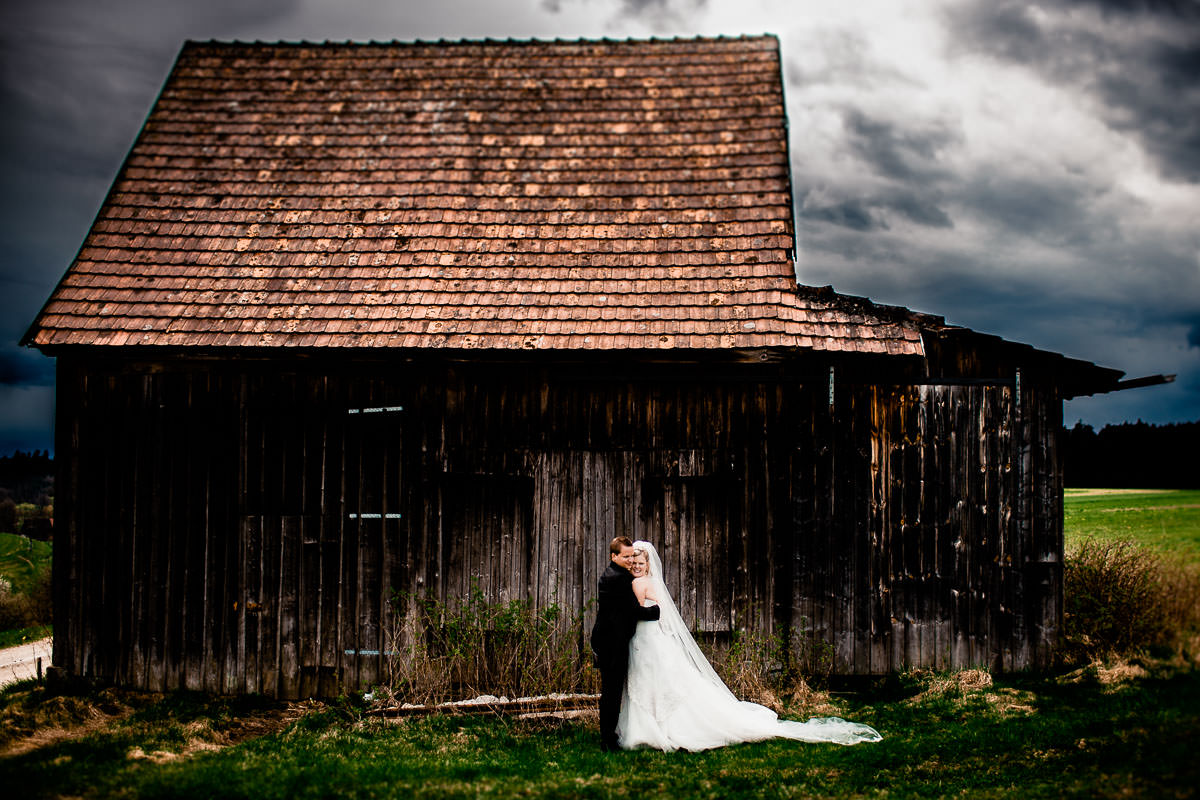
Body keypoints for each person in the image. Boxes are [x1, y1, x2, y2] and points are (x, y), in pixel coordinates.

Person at [616, 541, 883, 751]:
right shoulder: (640, 582)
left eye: (640, 562)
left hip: (651, 641)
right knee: (648, 683)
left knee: (657, 684)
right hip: (645, 641)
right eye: (633, 563)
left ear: (648, 564)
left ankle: (660, 730)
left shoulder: (642, 583)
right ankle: (647, 730)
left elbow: (648, 611)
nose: (637, 566)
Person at [590, 536, 661, 752]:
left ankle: (609, 735)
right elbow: (632, 611)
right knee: (611, 691)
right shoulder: (618, 579)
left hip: (609, 638)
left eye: (632, 556)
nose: (631, 561)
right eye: (626, 557)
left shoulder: (616, 574)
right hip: (612, 642)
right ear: (614, 556)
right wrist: (655, 612)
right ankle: (608, 740)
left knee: (611, 690)